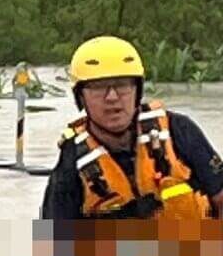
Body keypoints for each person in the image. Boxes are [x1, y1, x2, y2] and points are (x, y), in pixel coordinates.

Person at [41, 35, 223, 219]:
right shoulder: (72, 162)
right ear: (80, 97)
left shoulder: (179, 131)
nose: (112, 97)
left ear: (138, 90)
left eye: (122, 85)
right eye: (98, 87)